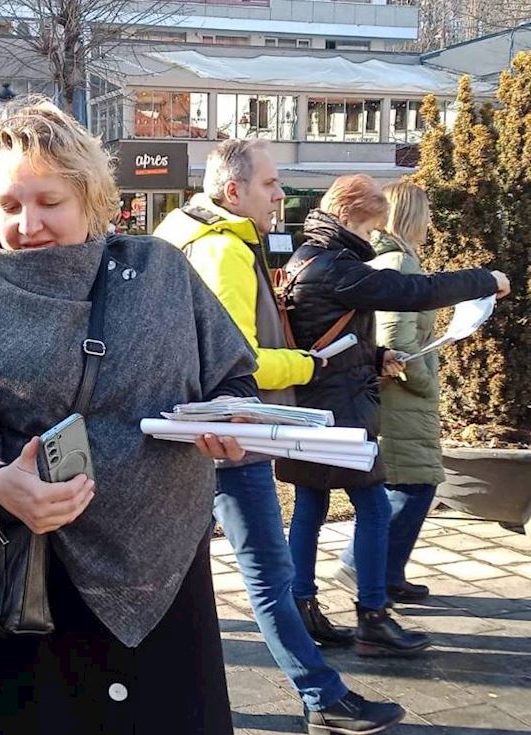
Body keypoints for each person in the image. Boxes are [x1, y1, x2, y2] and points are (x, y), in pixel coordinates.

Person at [0, 96, 258, 735]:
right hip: (35, 570)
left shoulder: (159, 271)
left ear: (88, 196)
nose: (28, 224)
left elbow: (231, 373)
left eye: (49, 201)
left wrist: (230, 419)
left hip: (165, 560)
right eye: (9, 205)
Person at [155, 140, 405, 734]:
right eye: (269, 185)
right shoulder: (222, 250)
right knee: (268, 574)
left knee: (180, 574)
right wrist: (310, 364)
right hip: (229, 433)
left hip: (185, 432)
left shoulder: (180, 236)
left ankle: (159, 694)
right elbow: (240, 362)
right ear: (233, 191)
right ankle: (322, 698)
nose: (279, 195)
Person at [278, 174, 510, 658]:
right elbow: (414, 292)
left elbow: (327, 332)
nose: (371, 238)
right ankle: (373, 618)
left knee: (311, 505)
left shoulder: (307, 258)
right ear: (348, 215)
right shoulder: (336, 266)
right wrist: (485, 280)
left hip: (312, 401)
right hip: (342, 409)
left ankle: (302, 605)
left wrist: (376, 354)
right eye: (368, 228)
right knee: (374, 506)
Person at [337, 182, 445, 604]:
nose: (431, 221)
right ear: (412, 215)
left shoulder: (384, 259)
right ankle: (363, 567)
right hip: (404, 395)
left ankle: (386, 572)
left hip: (395, 393)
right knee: (413, 484)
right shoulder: (399, 263)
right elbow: (398, 338)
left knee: (405, 483)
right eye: (426, 212)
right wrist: (425, 383)